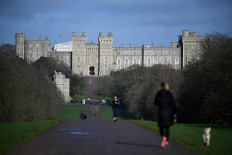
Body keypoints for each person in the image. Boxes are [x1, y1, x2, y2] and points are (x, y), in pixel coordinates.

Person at [154, 82, 177, 148]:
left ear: (161, 86)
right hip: (168, 112)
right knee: (167, 127)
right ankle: (166, 140)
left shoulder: (158, 94)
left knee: (161, 127)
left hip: (161, 112)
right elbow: (174, 104)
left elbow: (155, 103)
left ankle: (163, 136)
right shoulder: (169, 94)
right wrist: (175, 113)